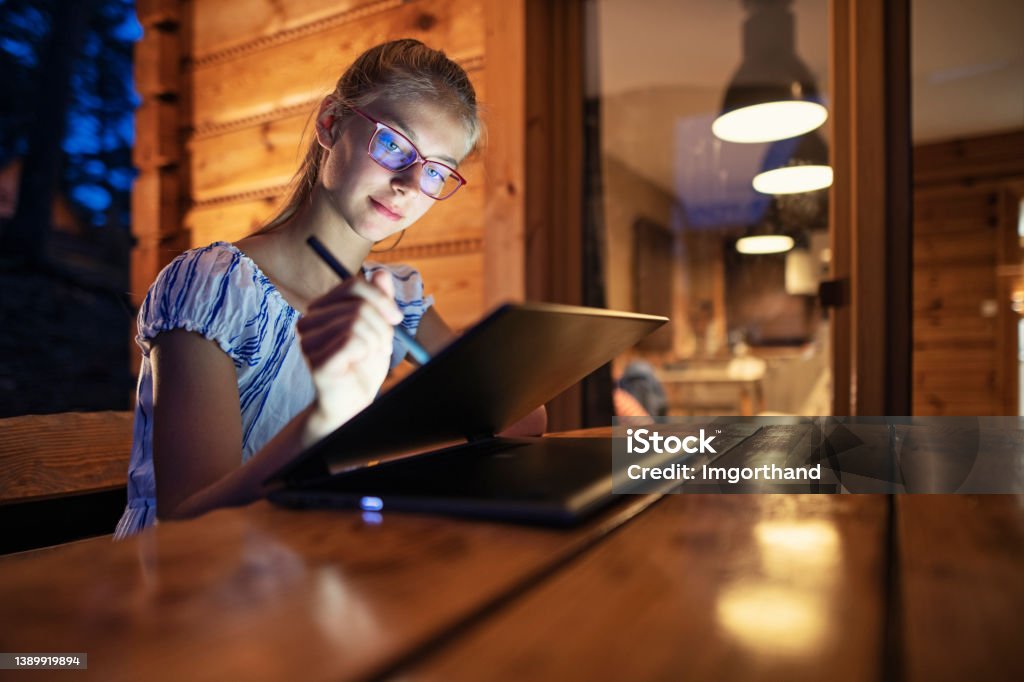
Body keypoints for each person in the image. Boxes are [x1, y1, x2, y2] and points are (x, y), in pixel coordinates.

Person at [115, 39, 545, 539]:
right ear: (330, 123)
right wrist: (326, 419)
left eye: (435, 170)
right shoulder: (217, 288)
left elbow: (520, 419)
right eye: (392, 144)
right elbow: (185, 519)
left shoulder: (396, 299)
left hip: (306, 564)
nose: (409, 182)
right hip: (178, 588)